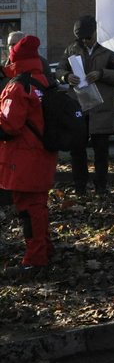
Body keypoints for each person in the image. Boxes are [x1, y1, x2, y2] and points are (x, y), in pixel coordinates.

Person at [0, 36, 58, 273]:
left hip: (23, 158)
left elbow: (8, 126)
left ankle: (35, 260)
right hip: (42, 155)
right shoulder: (43, 80)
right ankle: (44, 249)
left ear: (15, 59)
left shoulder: (17, 86)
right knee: (38, 206)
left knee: (28, 210)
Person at [55, 16, 114, 197]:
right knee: (77, 150)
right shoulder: (72, 48)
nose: (85, 41)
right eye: (82, 38)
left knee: (101, 152)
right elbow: (59, 69)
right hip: (79, 107)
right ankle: (80, 188)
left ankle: (101, 187)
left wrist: (101, 73)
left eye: (88, 37)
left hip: (101, 107)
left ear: (96, 32)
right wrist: (65, 77)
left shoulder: (110, 47)